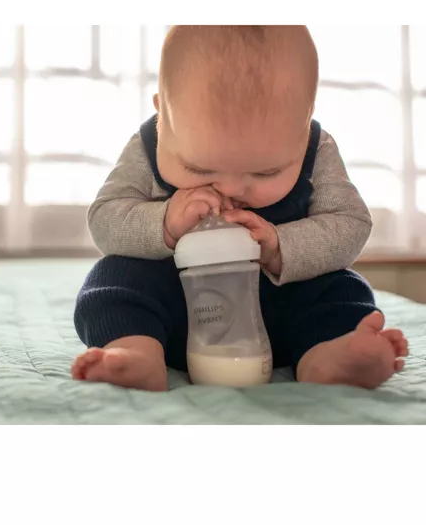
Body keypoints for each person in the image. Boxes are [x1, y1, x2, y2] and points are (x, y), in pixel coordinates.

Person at [72, 25, 408, 392]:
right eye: (199, 169)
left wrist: (280, 246)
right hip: (173, 311)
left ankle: (330, 358)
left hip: (284, 309)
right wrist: (164, 224)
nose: (230, 189)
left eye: (266, 172)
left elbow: (351, 223)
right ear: (163, 117)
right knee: (112, 278)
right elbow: (105, 217)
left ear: (304, 121)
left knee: (342, 290)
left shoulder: (318, 150)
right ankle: (136, 352)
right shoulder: (147, 145)